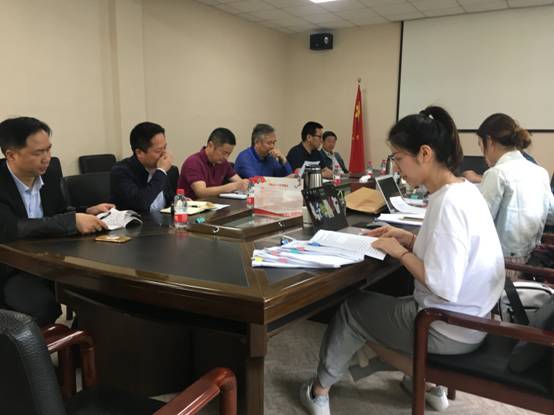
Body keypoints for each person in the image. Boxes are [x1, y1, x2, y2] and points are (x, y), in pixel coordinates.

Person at [300, 107, 505, 415]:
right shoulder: (463, 191)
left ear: (425, 153)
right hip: (474, 319)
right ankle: (430, 387)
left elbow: (444, 284)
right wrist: (408, 238)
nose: (396, 167)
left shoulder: (447, 204)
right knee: (392, 300)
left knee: (353, 309)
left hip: (446, 327)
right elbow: (451, 253)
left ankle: (319, 391)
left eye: (398, 158)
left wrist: (401, 252)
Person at [0, 117, 111, 326]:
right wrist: (71, 221)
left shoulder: (49, 175)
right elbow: (12, 228)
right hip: (11, 268)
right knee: (43, 307)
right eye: (38, 153)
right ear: (11, 155)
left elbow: (57, 212)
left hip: (50, 261)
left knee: (97, 295)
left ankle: (84, 341)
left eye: (48, 149)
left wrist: (85, 211)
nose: (47, 158)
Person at [471, 113, 554, 277]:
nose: (483, 153)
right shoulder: (540, 173)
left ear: (490, 141)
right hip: (533, 263)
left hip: (501, 264)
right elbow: (551, 214)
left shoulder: (497, 174)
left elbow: (478, 223)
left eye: (481, 145)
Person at [110, 122, 177, 212]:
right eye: (158, 151)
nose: (164, 154)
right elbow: (140, 203)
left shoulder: (170, 170)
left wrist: (179, 201)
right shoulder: (121, 171)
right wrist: (161, 172)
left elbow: (169, 200)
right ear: (139, 152)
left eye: (165, 148)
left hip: (164, 220)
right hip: (135, 220)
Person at [178, 128, 249, 199]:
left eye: (229, 154)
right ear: (210, 145)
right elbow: (201, 192)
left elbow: (240, 182)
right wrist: (232, 186)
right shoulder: (193, 162)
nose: (226, 157)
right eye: (223, 153)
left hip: (215, 204)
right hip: (193, 204)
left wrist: (245, 184)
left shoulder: (223, 163)